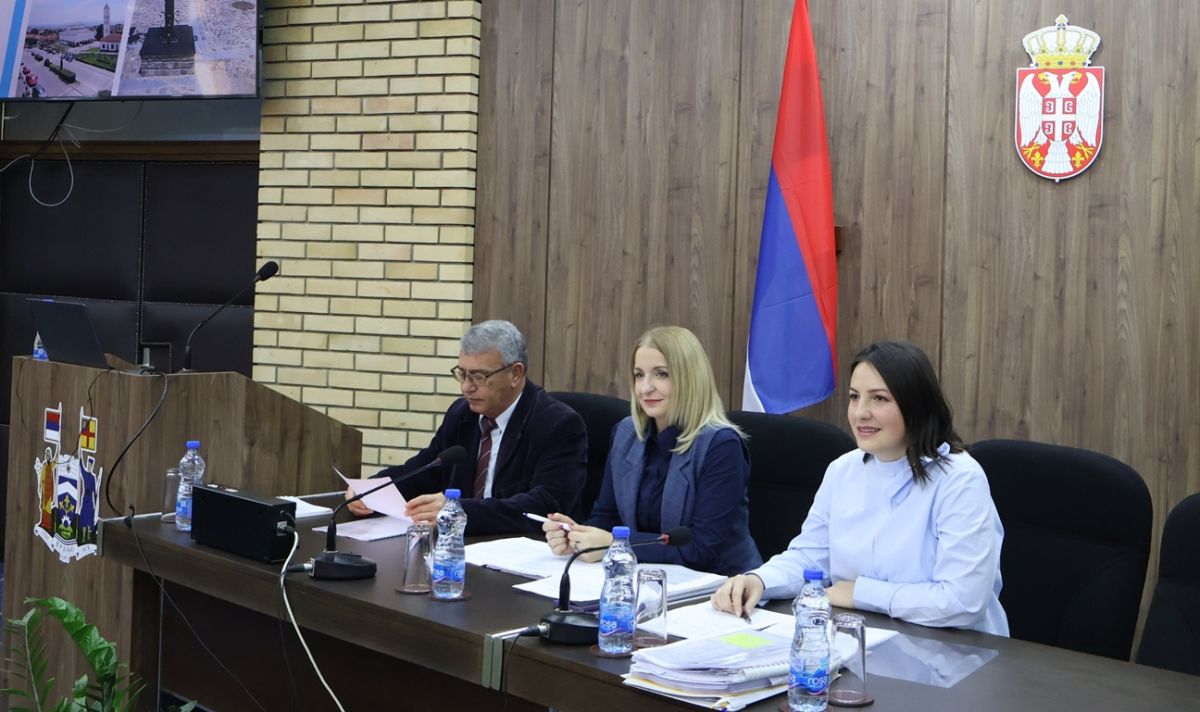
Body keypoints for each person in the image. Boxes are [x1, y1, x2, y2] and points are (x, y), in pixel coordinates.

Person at [711, 340, 1009, 635]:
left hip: (956, 650)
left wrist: (858, 593)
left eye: (879, 398)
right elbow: (810, 558)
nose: (860, 413)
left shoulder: (960, 479)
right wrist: (759, 581)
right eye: (855, 397)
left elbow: (961, 602)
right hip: (861, 636)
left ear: (916, 405)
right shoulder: (842, 470)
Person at [542, 325, 762, 576]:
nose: (645, 388)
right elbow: (607, 517)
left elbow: (702, 549)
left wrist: (614, 544)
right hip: (646, 578)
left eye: (661, 374)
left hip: (722, 585)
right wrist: (578, 536)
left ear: (689, 379)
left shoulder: (720, 445)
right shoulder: (626, 433)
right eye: (639, 375)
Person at [347, 320, 588, 535]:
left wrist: (458, 511)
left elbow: (545, 505)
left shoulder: (558, 424)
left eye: (479, 377)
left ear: (515, 374)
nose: (466, 387)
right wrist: (373, 490)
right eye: (462, 374)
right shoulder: (462, 414)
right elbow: (425, 468)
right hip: (460, 547)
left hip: (520, 553)